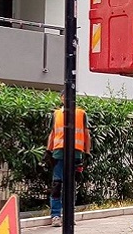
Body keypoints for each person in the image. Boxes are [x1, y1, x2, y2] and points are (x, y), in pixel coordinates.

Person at [46, 92, 91, 227]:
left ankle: (69, 215)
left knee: (70, 186)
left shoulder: (81, 114)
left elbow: (86, 133)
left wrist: (87, 153)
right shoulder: (56, 114)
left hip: (75, 154)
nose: (67, 98)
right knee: (57, 186)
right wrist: (48, 150)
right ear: (61, 98)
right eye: (64, 96)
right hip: (59, 153)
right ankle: (55, 216)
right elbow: (53, 133)